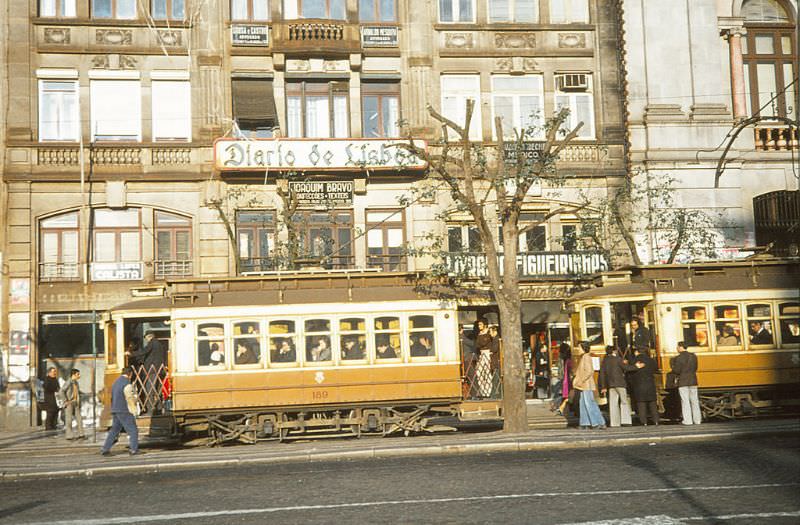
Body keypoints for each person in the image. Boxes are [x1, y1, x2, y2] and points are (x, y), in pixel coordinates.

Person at [100, 367, 140, 457]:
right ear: (130, 374)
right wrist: (134, 410)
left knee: (114, 430)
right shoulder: (127, 383)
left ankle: (105, 449)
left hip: (115, 409)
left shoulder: (116, 382)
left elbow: (112, 397)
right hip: (124, 409)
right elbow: (129, 398)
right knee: (133, 430)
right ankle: (134, 449)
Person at [126, 331, 167, 414]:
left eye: (146, 338)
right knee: (158, 390)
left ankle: (150, 409)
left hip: (152, 370)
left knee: (149, 389)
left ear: (149, 337)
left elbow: (144, 351)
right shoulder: (160, 344)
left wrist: (131, 354)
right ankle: (159, 408)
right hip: (160, 370)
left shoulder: (152, 343)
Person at [572, 342, 606, 429]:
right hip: (584, 385)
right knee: (583, 403)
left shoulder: (586, 357)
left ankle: (598, 422)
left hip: (586, 384)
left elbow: (589, 371)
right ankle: (585, 423)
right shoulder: (584, 357)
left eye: (579, 347)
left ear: (583, 348)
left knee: (589, 403)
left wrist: (581, 380)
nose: (578, 349)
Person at [598, 346, 632, 427]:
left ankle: (614, 423)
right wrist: (636, 366)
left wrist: (603, 386)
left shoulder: (605, 361)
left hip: (611, 385)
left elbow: (602, 374)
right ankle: (626, 421)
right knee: (624, 402)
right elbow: (626, 368)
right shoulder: (618, 359)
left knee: (613, 404)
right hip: (620, 383)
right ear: (614, 351)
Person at [670, 341, 701, 425]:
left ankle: (688, 420)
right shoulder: (693, 356)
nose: (677, 348)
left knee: (685, 401)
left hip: (683, 381)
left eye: (677, 347)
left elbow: (676, 370)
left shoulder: (678, 358)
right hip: (693, 380)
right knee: (694, 400)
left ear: (680, 347)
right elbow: (695, 368)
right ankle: (697, 420)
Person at [625, 347, 659, 426]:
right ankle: (656, 420)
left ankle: (644, 421)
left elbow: (629, 373)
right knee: (652, 403)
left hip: (638, 384)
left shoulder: (633, 360)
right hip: (650, 383)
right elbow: (655, 369)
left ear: (637, 352)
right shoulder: (651, 360)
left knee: (641, 404)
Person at [62, 368, 86, 440]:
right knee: (69, 419)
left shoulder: (76, 382)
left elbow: (76, 392)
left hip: (76, 402)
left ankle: (81, 434)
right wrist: (65, 400)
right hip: (70, 402)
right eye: (78, 374)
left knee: (79, 418)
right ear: (73, 375)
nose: (79, 376)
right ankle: (69, 435)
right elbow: (61, 391)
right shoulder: (68, 382)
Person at [474, 319, 493, 398]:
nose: (479, 326)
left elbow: (482, 343)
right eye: (478, 325)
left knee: (487, 371)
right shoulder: (479, 334)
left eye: (480, 325)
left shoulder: (488, 333)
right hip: (482, 353)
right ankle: (482, 391)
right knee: (479, 372)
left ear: (485, 325)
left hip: (487, 353)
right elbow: (477, 345)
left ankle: (488, 391)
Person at [42, 367, 61, 431]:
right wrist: (54, 390)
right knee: (50, 413)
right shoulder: (47, 379)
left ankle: (54, 425)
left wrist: (58, 390)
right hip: (49, 398)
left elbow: (58, 387)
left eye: (55, 371)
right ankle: (48, 427)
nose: (54, 373)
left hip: (55, 398)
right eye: (53, 372)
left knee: (56, 411)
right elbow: (46, 388)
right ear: (49, 372)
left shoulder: (55, 379)